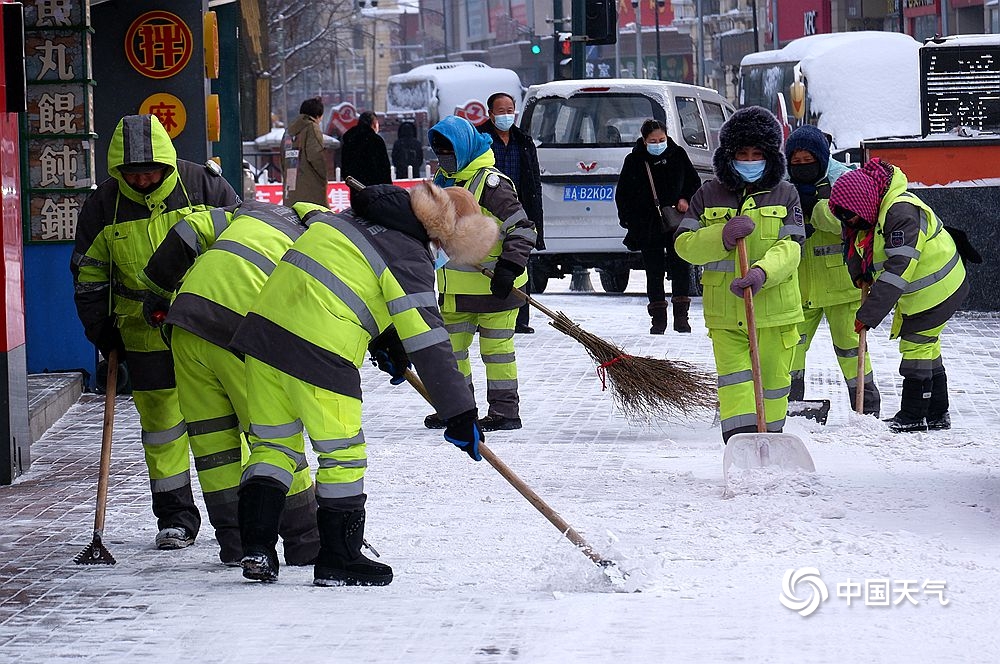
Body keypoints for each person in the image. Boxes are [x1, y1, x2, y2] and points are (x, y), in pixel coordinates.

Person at [229, 182, 498, 585]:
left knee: (273, 447)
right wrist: (460, 413)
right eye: (442, 249)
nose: (439, 257)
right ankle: (339, 557)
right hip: (319, 354)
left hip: (263, 341)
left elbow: (348, 283)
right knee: (342, 454)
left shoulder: (350, 220)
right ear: (443, 234)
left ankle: (256, 549)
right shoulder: (408, 254)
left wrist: (383, 339)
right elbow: (429, 340)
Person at [71, 114, 240, 549]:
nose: (143, 179)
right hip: (142, 333)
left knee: (222, 420)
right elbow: (89, 274)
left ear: (167, 162)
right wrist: (101, 331)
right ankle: (175, 516)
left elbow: (243, 247)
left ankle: (240, 512)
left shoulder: (203, 186)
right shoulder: (103, 204)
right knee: (162, 427)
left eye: (151, 170)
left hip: (207, 328)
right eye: (133, 173)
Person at [138, 201, 320, 566]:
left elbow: (185, 233)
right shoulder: (317, 243)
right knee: (275, 439)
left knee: (213, 447)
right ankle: (306, 541)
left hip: (186, 326)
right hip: (240, 330)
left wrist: (156, 290)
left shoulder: (246, 213)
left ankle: (235, 543)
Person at [673, 106, 805, 443]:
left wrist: (762, 273)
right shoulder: (707, 194)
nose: (749, 160)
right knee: (735, 384)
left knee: (775, 385)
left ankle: (771, 442)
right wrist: (720, 236)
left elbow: (791, 248)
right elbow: (683, 244)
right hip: (726, 314)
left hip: (775, 312)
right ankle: (740, 445)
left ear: (770, 156)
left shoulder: (786, 194)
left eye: (757, 153)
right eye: (742, 153)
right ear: (728, 155)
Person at [829, 157, 969, 433]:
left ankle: (914, 414)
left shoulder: (900, 213)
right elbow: (855, 240)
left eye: (852, 215)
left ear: (863, 204)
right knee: (927, 345)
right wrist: (859, 273)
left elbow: (898, 270)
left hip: (939, 287)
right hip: (924, 291)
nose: (851, 221)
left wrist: (868, 315)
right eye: (844, 217)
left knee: (915, 346)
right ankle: (938, 413)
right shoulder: (869, 211)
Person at [424, 115, 538, 432]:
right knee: (451, 353)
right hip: (455, 289)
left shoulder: (491, 185)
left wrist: (509, 267)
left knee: (497, 353)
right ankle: (459, 409)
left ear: (464, 147)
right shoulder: (441, 182)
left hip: (495, 287)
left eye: (448, 150)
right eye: (438, 151)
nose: (443, 157)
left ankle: (504, 412)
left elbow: (523, 230)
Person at [785, 126, 881, 418]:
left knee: (851, 349)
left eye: (808, 161)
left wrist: (814, 210)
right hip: (800, 288)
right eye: (796, 163)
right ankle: (787, 404)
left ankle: (866, 407)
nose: (802, 167)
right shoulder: (783, 187)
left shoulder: (844, 182)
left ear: (822, 158)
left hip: (842, 285)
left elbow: (850, 222)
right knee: (790, 349)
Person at [615, 119, 701, 334]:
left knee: (681, 267)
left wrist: (685, 199)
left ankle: (681, 317)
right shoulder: (634, 160)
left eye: (661, 139)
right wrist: (629, 220)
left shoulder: (677, 154)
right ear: (644, 141)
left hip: (675, 221)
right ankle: (658, 319)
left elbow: (694, 182)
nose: (658, 144)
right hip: (647, 224)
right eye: (653, 141)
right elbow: (623, 194)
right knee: (653, 271)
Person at [478, 92, 545, 334]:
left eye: (510, 110)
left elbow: (533, 181)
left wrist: (535, 217)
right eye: (501, 111)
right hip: (488, 208)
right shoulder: (480, 139)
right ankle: (487, 312)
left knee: (520, 260)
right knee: (490, 258)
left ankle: (520, 317)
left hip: (519, 209)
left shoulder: (523, 141)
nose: (506, 115)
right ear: (490, 113)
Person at [281, 97, 329, 207]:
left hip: (291, 187)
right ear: (317, 115)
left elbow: (283, 158)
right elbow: (315, 156)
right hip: (310, 187)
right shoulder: (311, 128)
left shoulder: (289, 131)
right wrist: (323, 176)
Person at [340, 111, 392, 186]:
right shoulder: (375, 140)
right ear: (374, 123)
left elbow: (345, 166)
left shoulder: (349, 139)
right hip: (375, 187)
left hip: (355, 186)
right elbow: (384, 168)